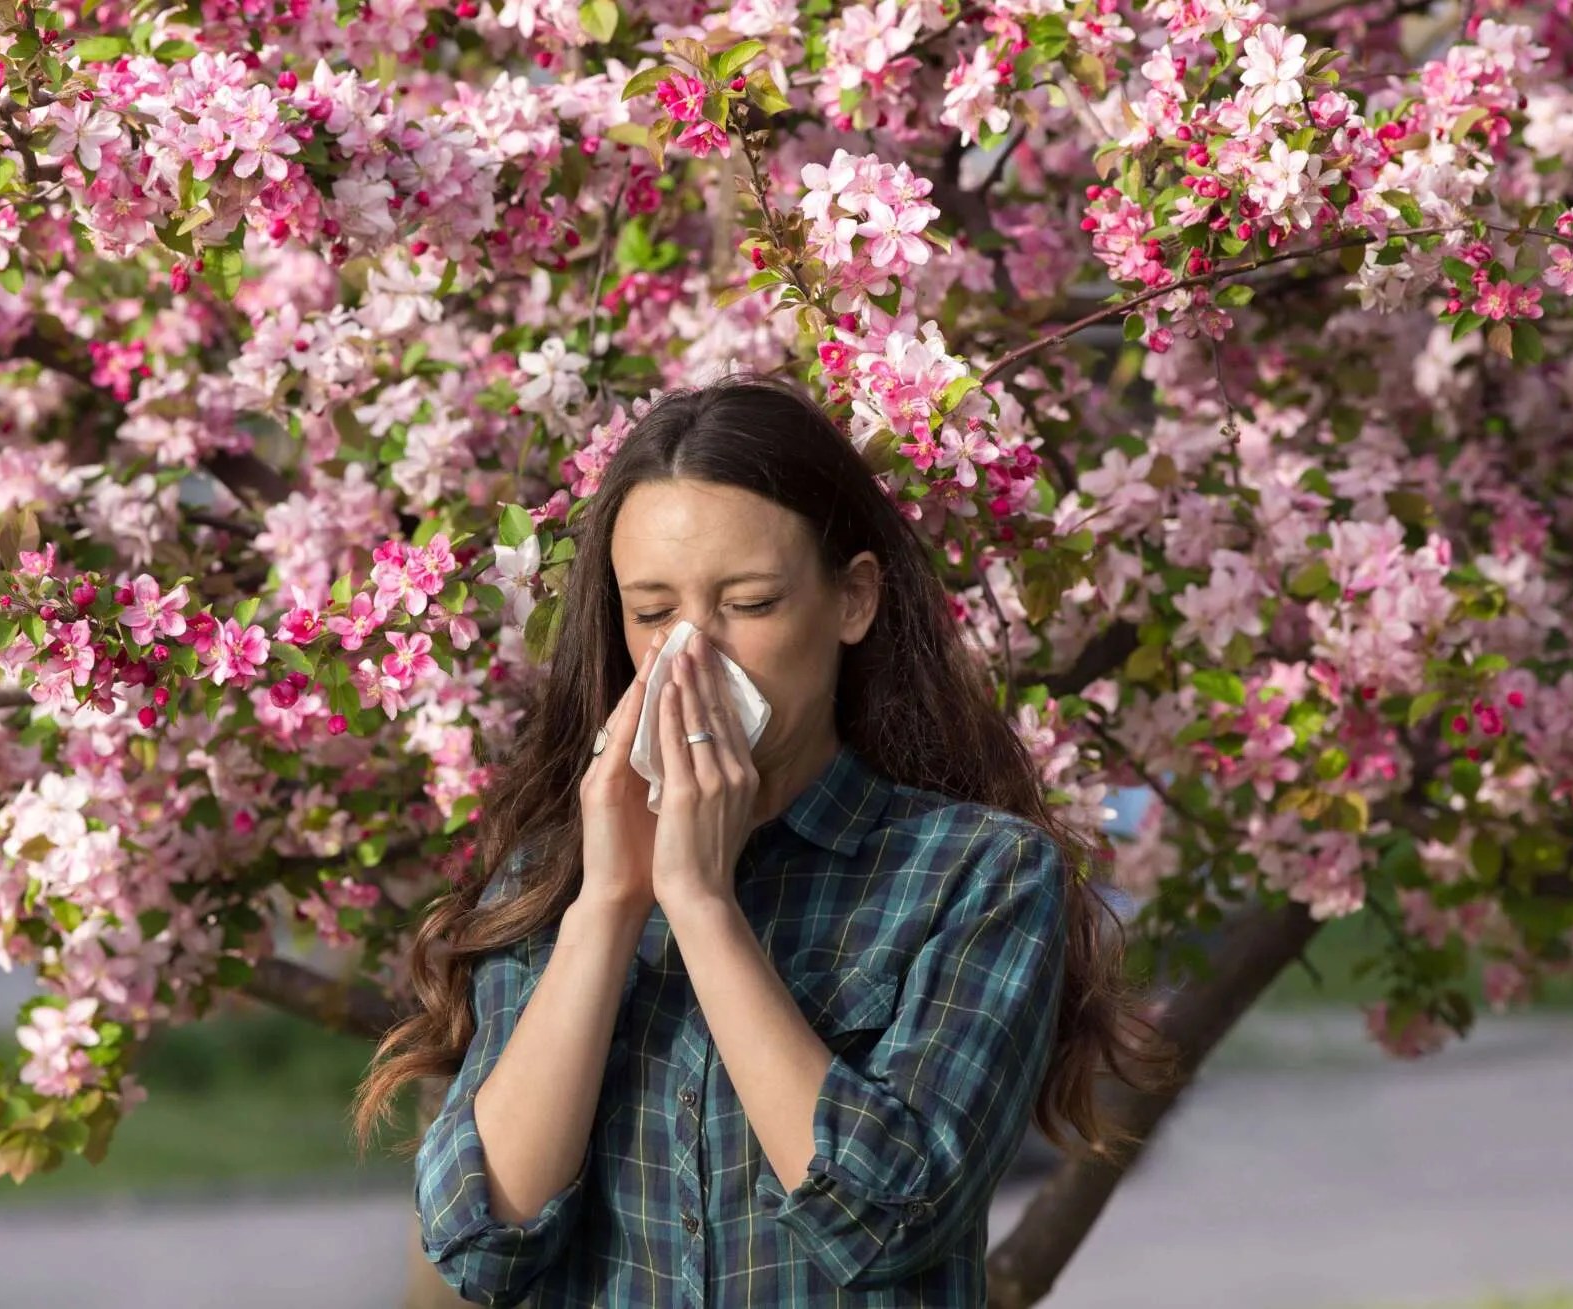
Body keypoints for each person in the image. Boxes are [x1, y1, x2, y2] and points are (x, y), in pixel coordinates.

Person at [354, 373, 1170, 1307]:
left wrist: (701, 904)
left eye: (747, 602)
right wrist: (610, 905)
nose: (692, 654)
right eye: (654, 613)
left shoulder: (975, 874)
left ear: (852, 601)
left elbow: (885, 1217)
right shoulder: (559, 875)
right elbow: (476, 1239)